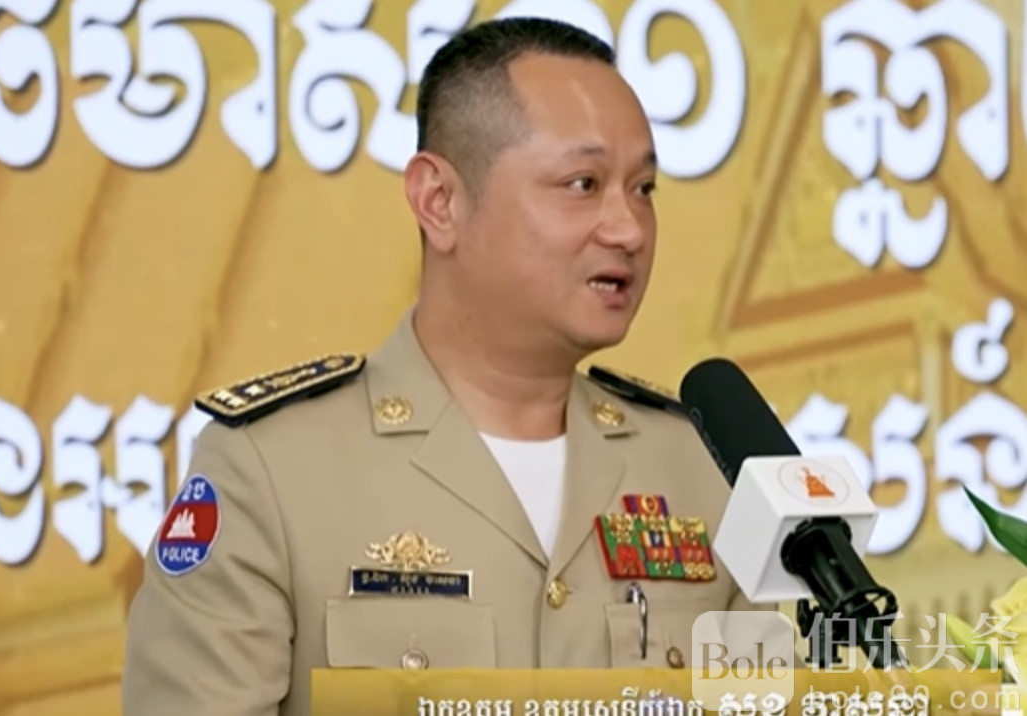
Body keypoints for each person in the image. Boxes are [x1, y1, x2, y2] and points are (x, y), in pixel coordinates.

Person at [121, 16, 783, 715]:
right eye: (583, 183)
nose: (628, 229)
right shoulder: (271, 472)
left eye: (643, 189)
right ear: (439, 201)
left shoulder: (700, 471)